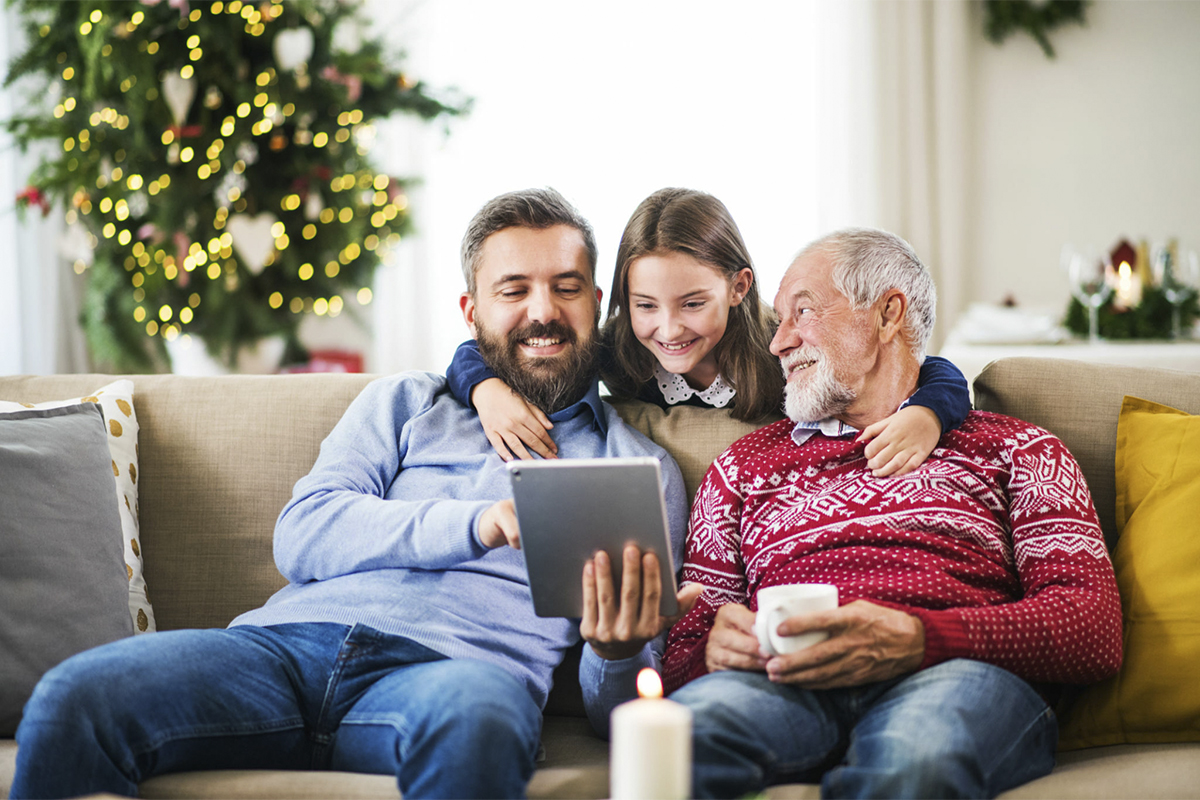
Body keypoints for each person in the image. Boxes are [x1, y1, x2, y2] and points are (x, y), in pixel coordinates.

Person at [11, 188, 696, 800]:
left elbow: (621, 709)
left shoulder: (637, 467)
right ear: (472, 310)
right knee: (73, 697)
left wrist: (616, 651)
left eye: (566, 287)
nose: (542, 312)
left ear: (597, 304)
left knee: (479, 723)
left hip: (454, 678)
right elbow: (303, 533)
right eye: (513, 289)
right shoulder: (404, 402)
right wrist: (478, 523)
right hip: (276, 653)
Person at [661, 227, 1124, 799]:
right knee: (674, 745)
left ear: (886, 315)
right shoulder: (740, 468)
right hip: (781, 678)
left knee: (914, 763)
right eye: (777, 320)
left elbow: (1092, 629)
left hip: (952, 676)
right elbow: (681, 650)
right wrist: (712, 649)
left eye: (802, 312)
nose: (778, 343)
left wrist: (919, 637)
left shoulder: (1019, 450)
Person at [447, 188, 971, 480]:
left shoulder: (780, 344)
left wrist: (925, 414)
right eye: (645, 305)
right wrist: (484, 390)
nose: (669, 329)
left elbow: (929, 369)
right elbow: (500, 347)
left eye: (694, 304)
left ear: (739, 287)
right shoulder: (620, 348)